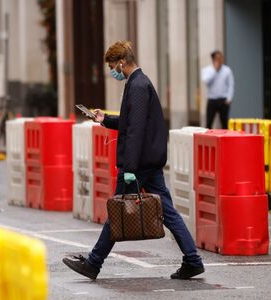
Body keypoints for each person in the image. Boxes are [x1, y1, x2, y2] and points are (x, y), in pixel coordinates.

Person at [62, 40, 205, 280]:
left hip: (138, 165)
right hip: (148, 161)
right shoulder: (139, 82)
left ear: (121, 62)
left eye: (112, 66)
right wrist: (104, 118)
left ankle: (93, 263)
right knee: (168, 212)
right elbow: (130, 122)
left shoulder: (138, 86)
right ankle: (193, 260)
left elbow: (136, 130)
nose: (112, 72)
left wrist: (129, 168)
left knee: (117, 211)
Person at [201, 51, 234, 129]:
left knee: (224, 123)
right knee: (209, 122)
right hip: (212, 100)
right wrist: (214, 70)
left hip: (223, 100)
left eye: (221, 58)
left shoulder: (227, 70)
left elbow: (231, 85)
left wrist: (229, 98)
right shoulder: (207, 70)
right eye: (217, 58)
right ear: (213, 59)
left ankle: (226, 140)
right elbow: (206, 81)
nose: (220, 60)